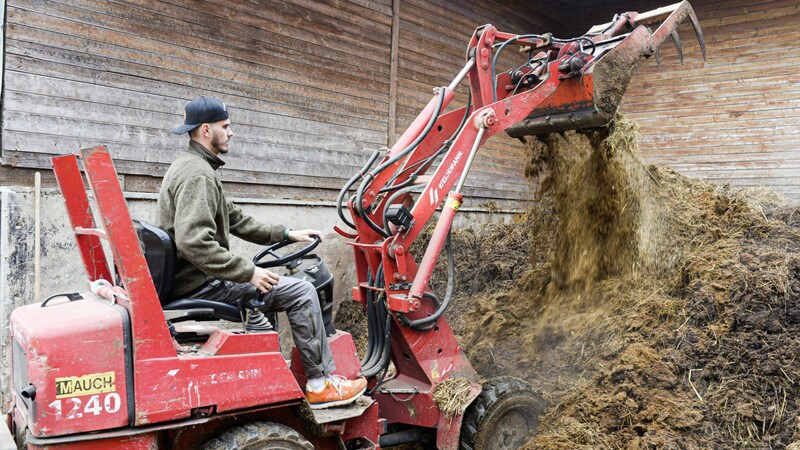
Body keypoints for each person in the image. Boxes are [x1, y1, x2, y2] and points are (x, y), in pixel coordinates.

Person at [158, 95, 366, 409]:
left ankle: (274, 369)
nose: (231, 133)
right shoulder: (198, 175)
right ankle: (321, 383)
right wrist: (249, 272)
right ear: (205, 130)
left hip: (197, 281)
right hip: (202, 285)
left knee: (271, 285)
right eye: (225, 127)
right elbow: (193, 242)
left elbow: (237, 219)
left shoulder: (196, 167)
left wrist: (286, 234)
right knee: (302, 291)